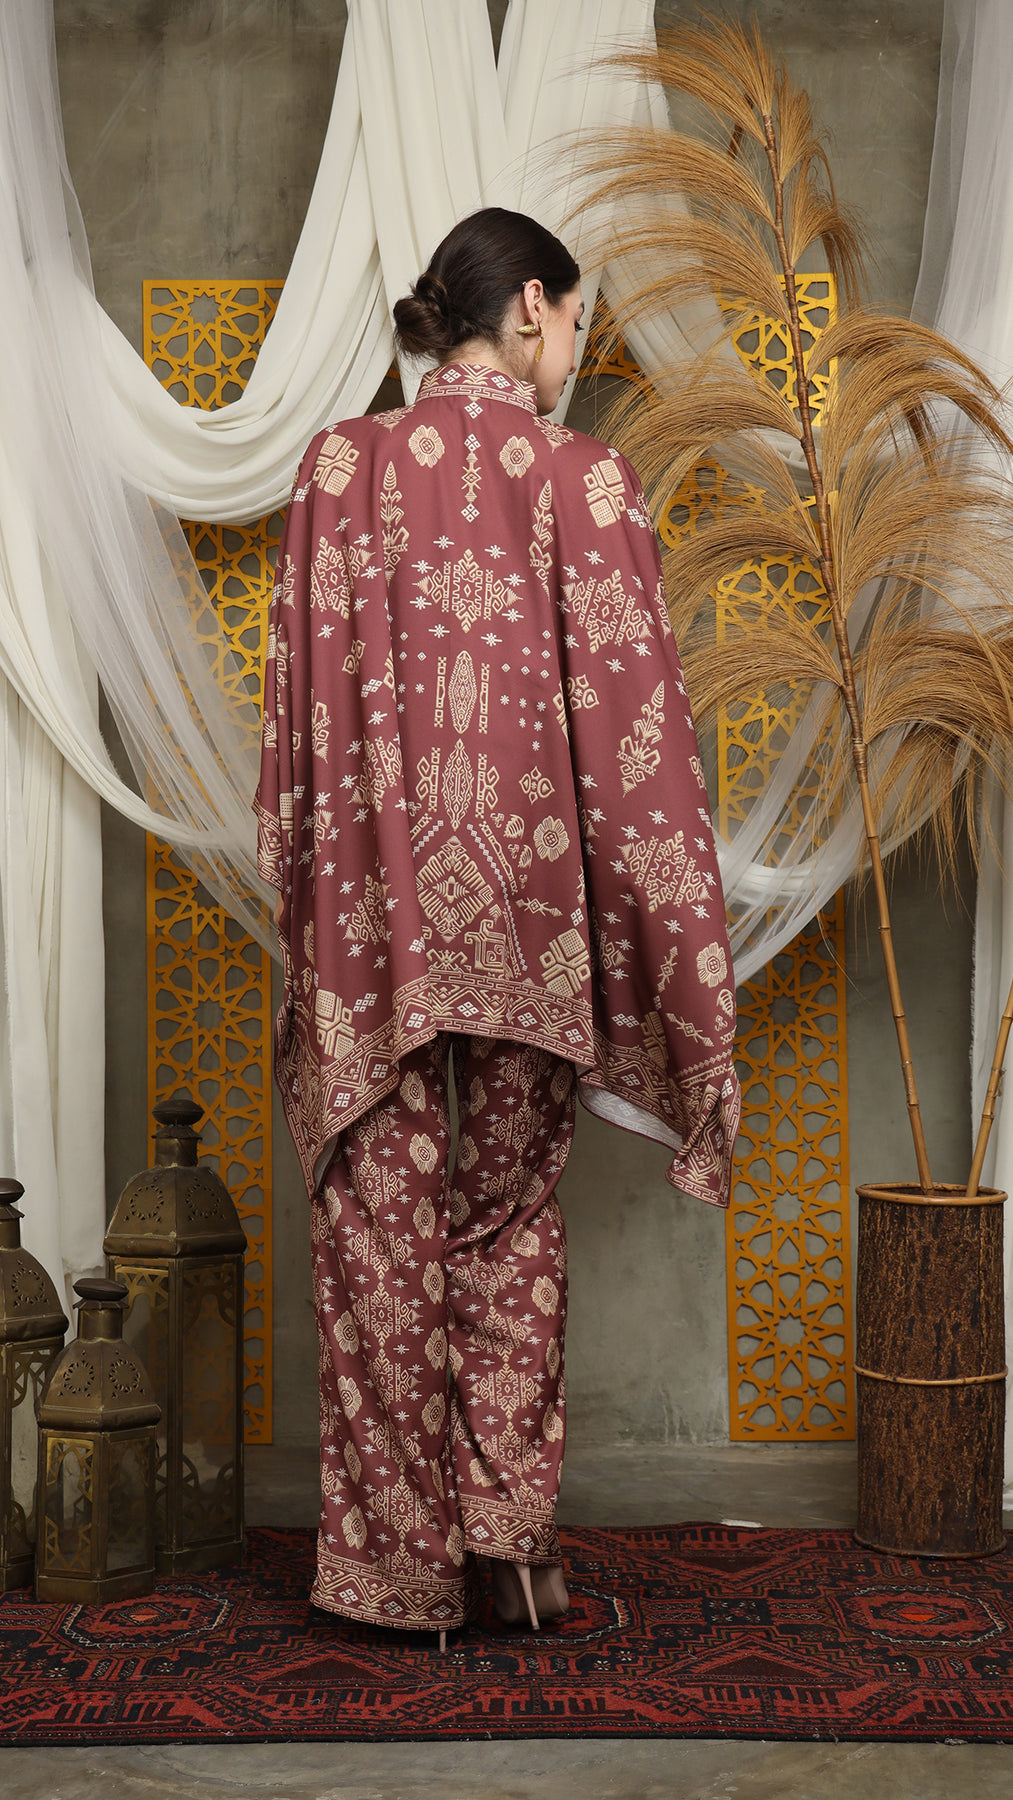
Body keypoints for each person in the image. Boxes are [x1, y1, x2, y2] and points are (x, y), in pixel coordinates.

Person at [255, 207, 740, 1643]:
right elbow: (638, 740)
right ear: (529, 306)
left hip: (372, 927)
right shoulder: (585, 480)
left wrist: (309, 896)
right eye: (575, 322)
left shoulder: (338, 469)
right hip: (530, 920)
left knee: (377, 1230)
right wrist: (681, 959)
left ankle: (394, 1576)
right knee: (510, 1218)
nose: (573, 351)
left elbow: (294, 727)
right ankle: (512, 1548)